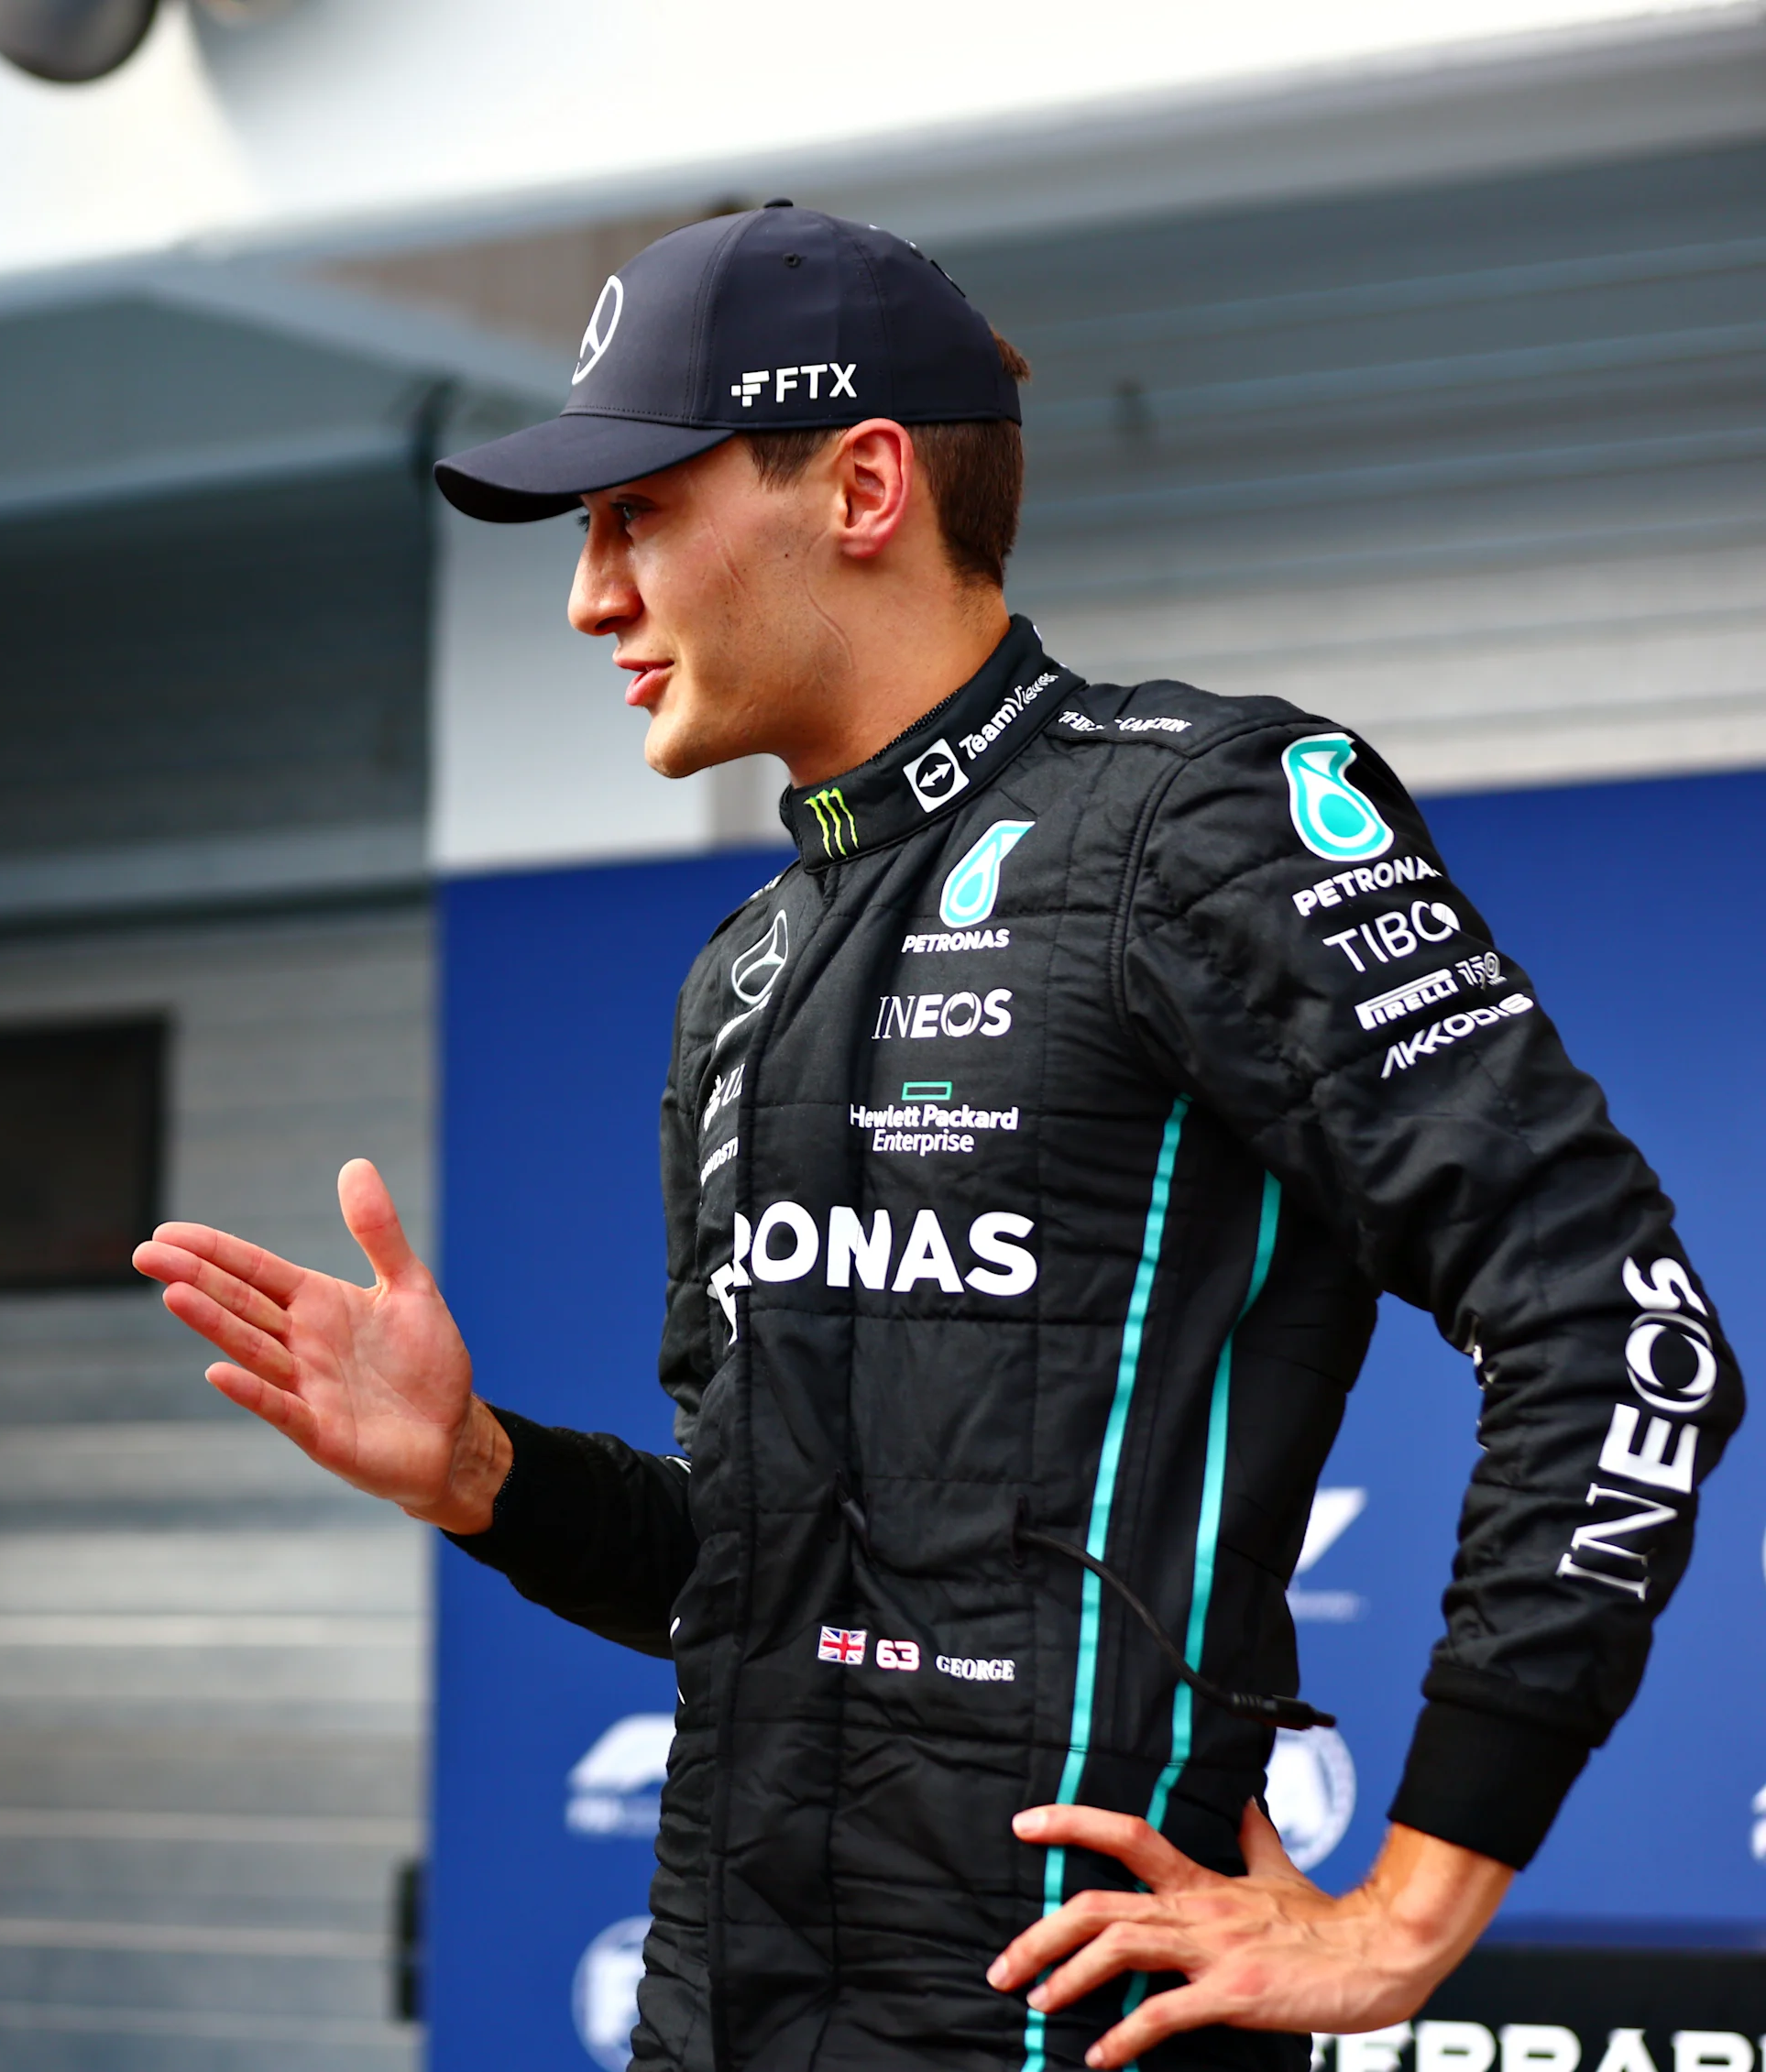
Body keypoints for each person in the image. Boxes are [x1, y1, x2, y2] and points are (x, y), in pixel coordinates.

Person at [133, 206, 1740, 2071]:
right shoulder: (741, 970)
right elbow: (762, 1584)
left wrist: (1412, 1901)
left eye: (632, 511)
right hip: (719, 2015)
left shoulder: (1200, 816)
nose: (588, 596)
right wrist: (481, 1469)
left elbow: (1622, 1323)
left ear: (864, 482)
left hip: (1076, 2026)